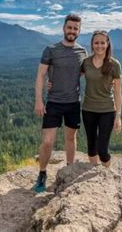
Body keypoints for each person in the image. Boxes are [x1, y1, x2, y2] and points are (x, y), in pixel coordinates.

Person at [33, 14, 88, 193]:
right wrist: (39, 100)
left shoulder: (82, 52)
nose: (72, 31)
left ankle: (70, 169)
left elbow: (84, 73)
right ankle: (42, 174)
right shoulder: (51, 50)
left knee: (71, 138)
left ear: (79, 31)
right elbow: (41, 75)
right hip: (54, 103)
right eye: (69, 27)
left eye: (75, 28)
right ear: (64, 28)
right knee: (48, 141)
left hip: (73, 102)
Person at [81, 30, 122, 167]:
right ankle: (94, 172)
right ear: (92, 45)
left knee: (103, 150)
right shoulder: (86, 62)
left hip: (107, 110)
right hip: (88, 109)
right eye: (96, 43)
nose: (99, 46)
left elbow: (117, 92)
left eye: (102, 43)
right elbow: (71, 77)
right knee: (91, 145)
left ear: (107, 44)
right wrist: (51, 82)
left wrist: (118, 116)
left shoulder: (114, 65)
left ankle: (106, 175)